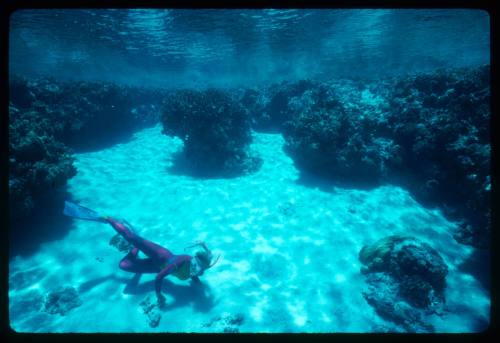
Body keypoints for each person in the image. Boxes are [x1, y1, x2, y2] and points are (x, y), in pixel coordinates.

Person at [63, 201, 220, 306]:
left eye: (201, 269)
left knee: (123, 265)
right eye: (196, 267)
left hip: (157, 266)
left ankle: (134, 249)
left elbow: (204, 259)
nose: (197, 270)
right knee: (130, 237)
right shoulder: (179, 263)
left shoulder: (200, 267)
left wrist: (202, 248)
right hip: (160, 255)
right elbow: (159, 278)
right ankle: (108, 218)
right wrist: (159, 295)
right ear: (192, 260)